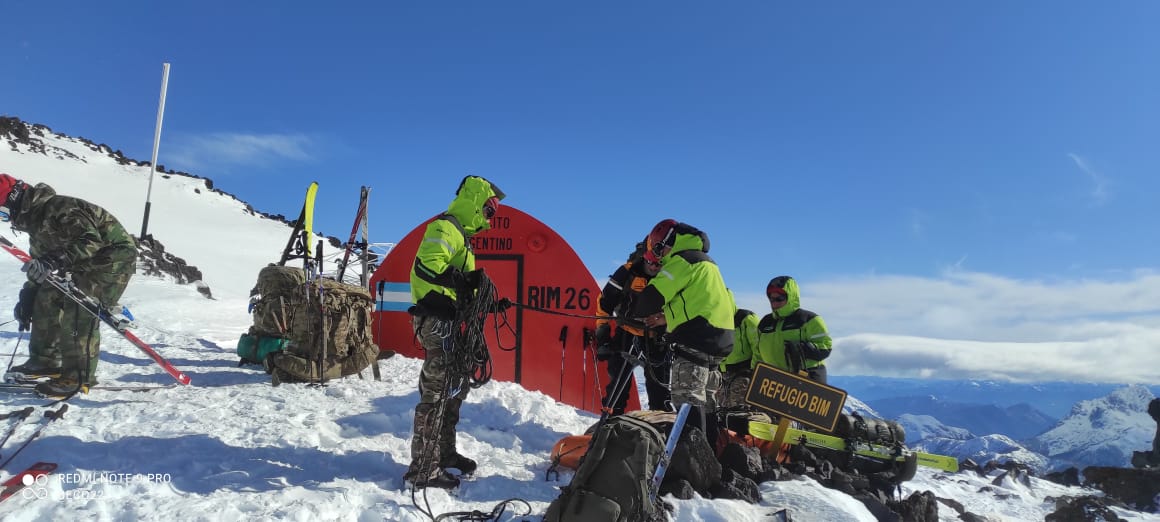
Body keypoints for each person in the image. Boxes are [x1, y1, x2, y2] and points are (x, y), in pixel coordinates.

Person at [403, 175, 508, 490]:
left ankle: (444, 453)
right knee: (436, 393)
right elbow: (427, 267)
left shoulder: (462, 237)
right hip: (436, 320)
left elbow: (461, 287)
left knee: (453, 391)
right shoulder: (444, 228)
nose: (490, 219)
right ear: (475, 202)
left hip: (451, 321)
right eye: (489, 211)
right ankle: (423, 469)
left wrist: (487, 303)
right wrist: (463, 281)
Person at [0, 173, 137, 398]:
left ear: (13, 201)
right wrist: (28, 296)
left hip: (113, 260)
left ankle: (78, 377)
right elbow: (39, 267)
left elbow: (91, 240)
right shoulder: (36, 223)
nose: (6, 220)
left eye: (2, 213)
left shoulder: (59, 208)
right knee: (45, 296)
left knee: (79, 306)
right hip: (81, 264)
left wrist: (55, 260)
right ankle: (44, 362)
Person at [631, 219, 733, 445]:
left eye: (658, 248)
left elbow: (650, 298)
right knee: (706, 404)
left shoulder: (682, 260)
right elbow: (699, 304)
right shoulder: (707, 264)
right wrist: (666, 318)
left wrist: (634, 311)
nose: (659, 255)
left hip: (695, 341)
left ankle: (694, 464)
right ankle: (712, 460)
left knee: (687, 402)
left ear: (669, 242)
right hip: (719, 341)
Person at [595, 240, 671, 415]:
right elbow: (605, 302)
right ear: (644, 256)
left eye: (659, 263)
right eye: (650, 261)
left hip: (657, 340)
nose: (654, 266)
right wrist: (602, 336)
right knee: (617, 390)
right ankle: (610, 427)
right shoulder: (627, 272)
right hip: (626, 336)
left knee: (660, 394)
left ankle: (659, 432)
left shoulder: (670, 276)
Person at [755, 275, 832, 384]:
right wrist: (754, 373)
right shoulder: (764, 323)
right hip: (774, 380)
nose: (774, 303)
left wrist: (803, 348)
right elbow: (757, 353)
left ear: (791, 297)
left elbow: (826, 347)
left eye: (779, 299)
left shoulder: (809, 319)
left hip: (807, 378)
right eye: (771, 299)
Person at [717, 304, 759, 411]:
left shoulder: (746, 318)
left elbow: (758, 347)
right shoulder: (715, 319)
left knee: (741, 411)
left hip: (744, 374)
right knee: (724, 412)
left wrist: (754, 371)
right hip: (722, 375)